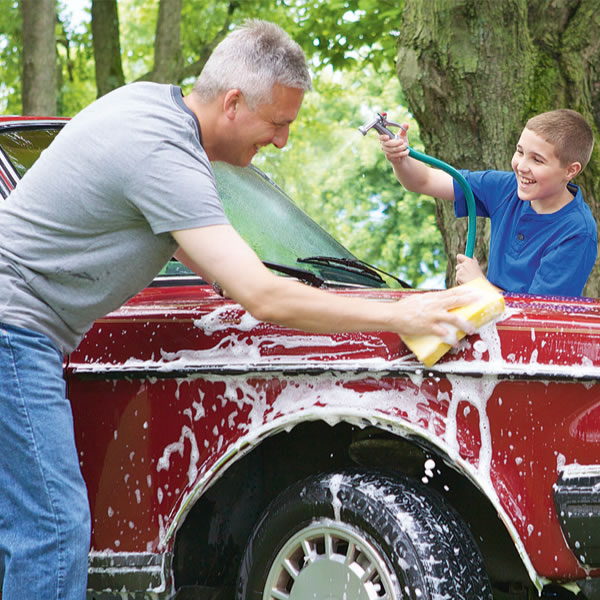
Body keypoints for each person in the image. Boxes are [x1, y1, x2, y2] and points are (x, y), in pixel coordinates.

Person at [0, 19, 476, 600]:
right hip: (12, 328)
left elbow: (210, 257)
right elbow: (262, 296)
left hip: (22, 330)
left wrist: (281, 282)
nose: (282, 141)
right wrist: (403, 316)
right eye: (277, 124)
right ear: (232, 103)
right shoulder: (164, 152)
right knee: (51, 529)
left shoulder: (151, 111)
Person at [379, 109, 597, 296]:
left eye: (537, 160)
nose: (521, 166)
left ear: (570, 170)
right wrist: (400, 159)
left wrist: (479, 285)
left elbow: (539, 317)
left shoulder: (577, 232)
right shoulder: (506, 188)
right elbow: (424, 180)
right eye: (520, 152)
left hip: (523, 330)